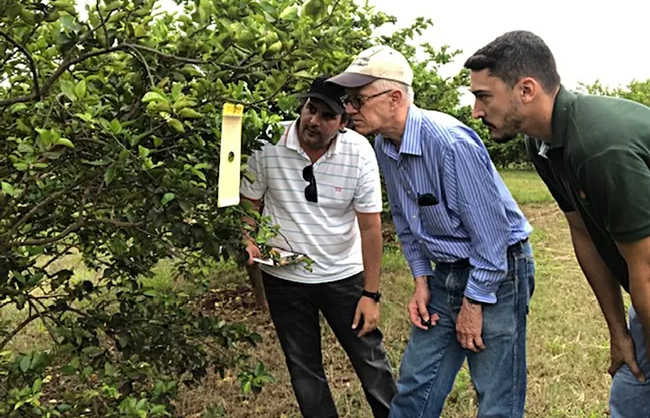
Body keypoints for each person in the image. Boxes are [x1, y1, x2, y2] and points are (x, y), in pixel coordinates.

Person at [327, 45, 535, 417]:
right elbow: (408, 221)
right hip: (445, 273)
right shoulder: (384, 145)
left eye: (358, 100)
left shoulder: (450, 143)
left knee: (496, 397)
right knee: (415, 388)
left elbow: (492, 239)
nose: (348, 110)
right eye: (348, 100)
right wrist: (422, 279)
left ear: (394, 98)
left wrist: (474, 302)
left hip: (498, 272)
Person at [463, 30, 650, 417]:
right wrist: (618, 331)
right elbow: (582, 233)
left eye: (484, 96)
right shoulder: (542, 143)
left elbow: (645, 269)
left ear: (526, 90)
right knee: (630, 398)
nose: (476, 111)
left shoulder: (600, 146)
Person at [239, 75, 397, 418]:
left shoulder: (359, 153)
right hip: (284, 277)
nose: (313, 120)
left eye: (327, 115)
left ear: (343, 123)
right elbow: (250, 202)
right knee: (304, 369)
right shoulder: (268, 141)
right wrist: (249, 239)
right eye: (311, 108)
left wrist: (370, 295)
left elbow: (370, 227)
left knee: (371, 363)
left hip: (343, 275)